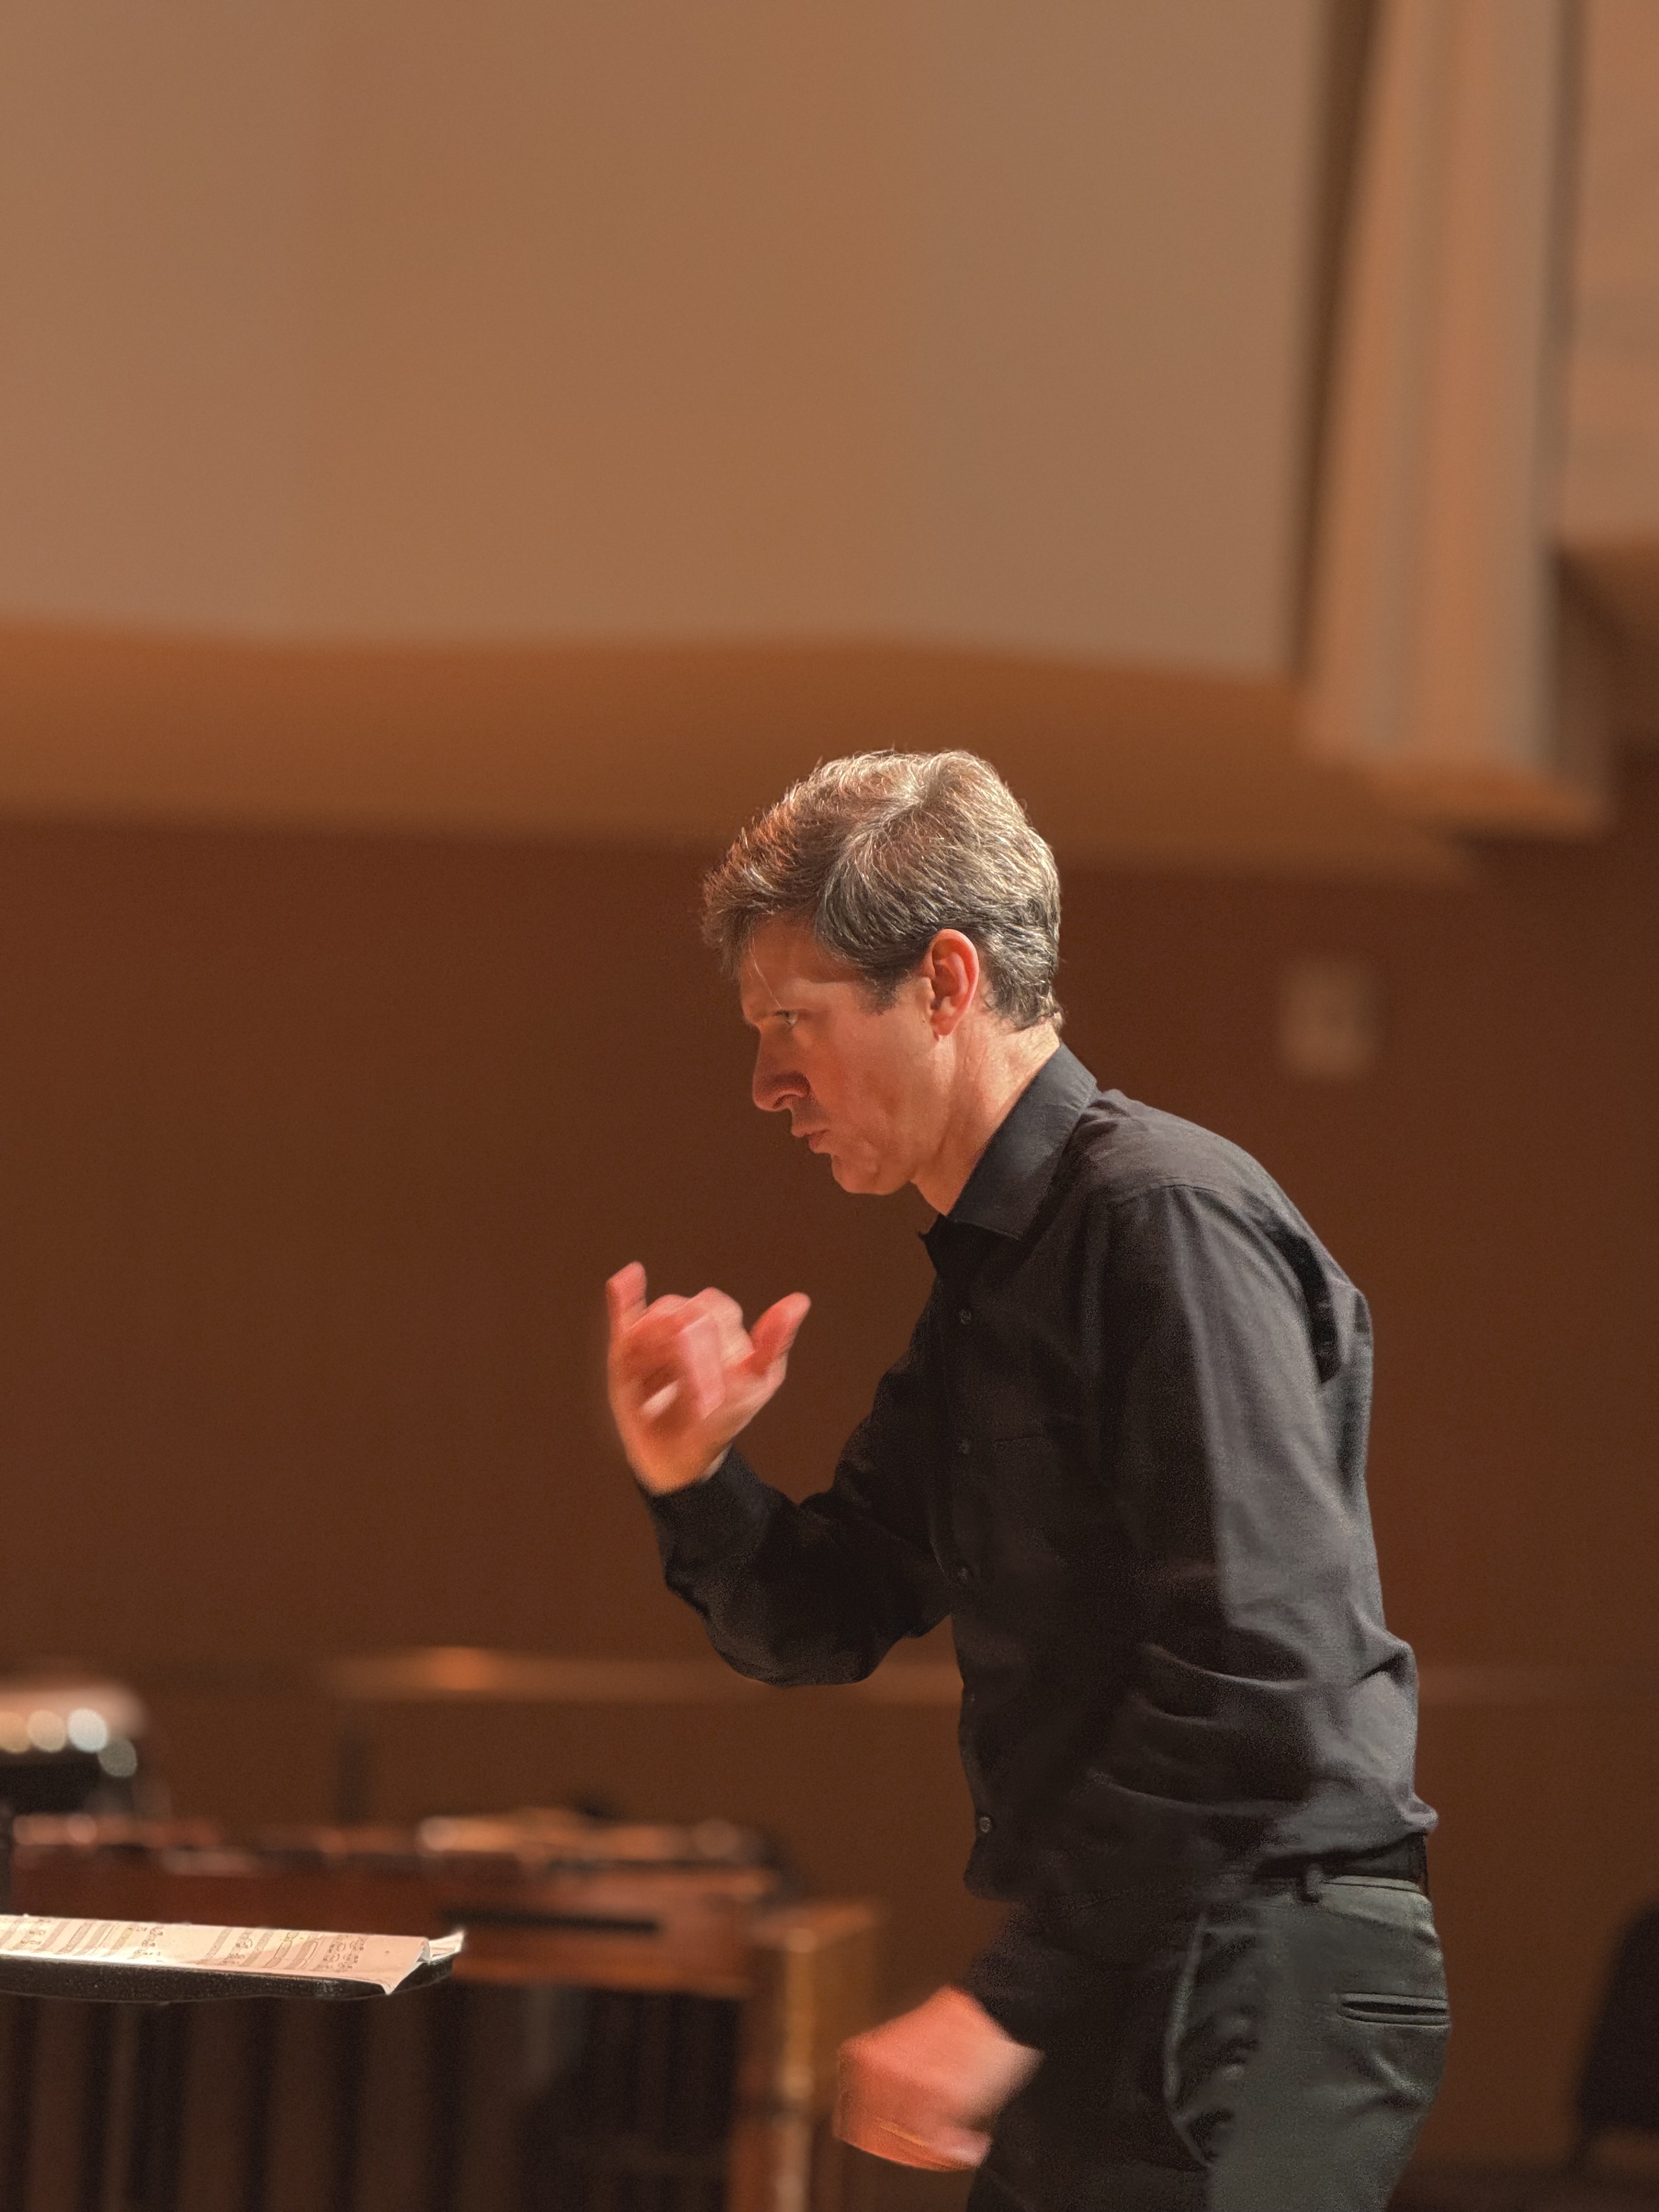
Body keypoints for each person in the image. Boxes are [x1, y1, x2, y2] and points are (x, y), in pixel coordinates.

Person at [605, 752, 1448, 2212]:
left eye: (793, 1022)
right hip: (1147, 1959)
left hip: (1256, 1958)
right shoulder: (999, 1281)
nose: (764, 1084)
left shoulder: (1158, 1217)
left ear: (943, 980)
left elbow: (1259, 1671)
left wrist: (1008, 1998)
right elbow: (829, 1610)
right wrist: (694, 1474)